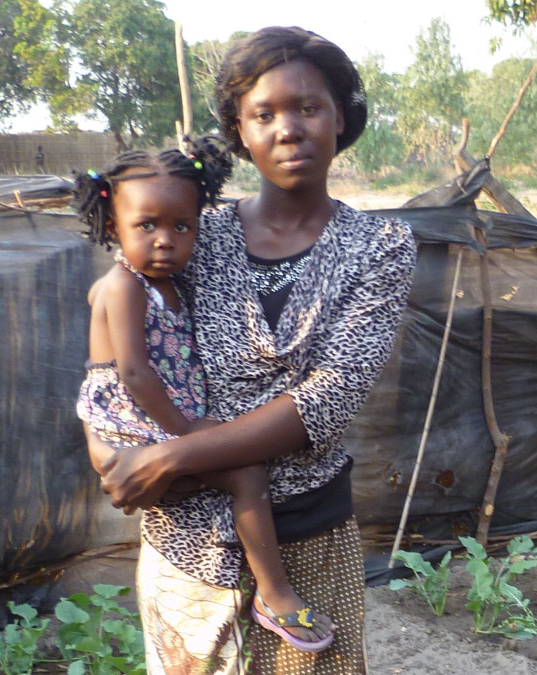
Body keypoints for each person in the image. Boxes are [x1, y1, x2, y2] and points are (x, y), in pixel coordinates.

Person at [88, 26, 414, 675]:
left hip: (308, 536)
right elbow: (121, 338)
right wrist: (108, 448)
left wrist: (171, 454)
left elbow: (324, 399)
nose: (287, 128)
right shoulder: (190, 232)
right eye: (263, 113)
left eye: (308, 107)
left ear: (341, 117)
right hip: (185, 538)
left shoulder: (380, 246)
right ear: (239, 131)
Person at [72, 135, 342, 659]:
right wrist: (188, 432)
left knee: (216, 478)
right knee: (244, 474)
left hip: (156, 417)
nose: (165, 240)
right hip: (136, 419)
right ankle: (274, 592)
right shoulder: (124, 285)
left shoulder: (168, 282)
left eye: (181, 227)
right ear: (113, 227)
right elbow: (132, 372)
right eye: (145, 226)